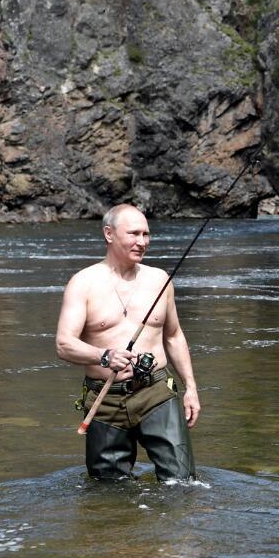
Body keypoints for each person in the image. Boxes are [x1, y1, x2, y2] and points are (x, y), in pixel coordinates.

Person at [55, 204, 200, 480]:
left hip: (155, 391)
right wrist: (104, 356)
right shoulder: (83, 283)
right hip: (103, 398)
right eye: (134, 233)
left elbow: (173, 335)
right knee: (108, 490)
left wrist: (191, 388)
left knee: (181, 483)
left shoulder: (160, 280)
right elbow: (64, 344)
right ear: (109, 234)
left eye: (146, 234)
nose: (142, 242)